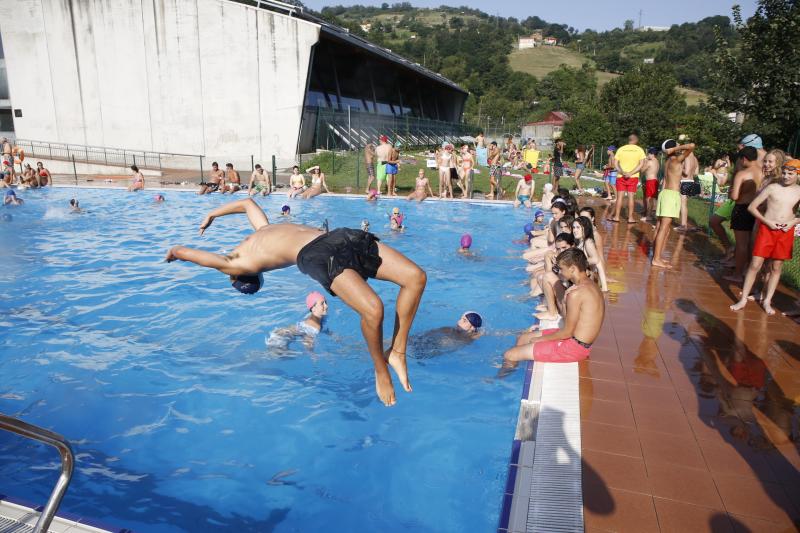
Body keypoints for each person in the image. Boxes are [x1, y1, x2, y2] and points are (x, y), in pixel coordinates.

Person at [166, 198, 427, 407]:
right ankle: (381, 371)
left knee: (415, 278)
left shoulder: (263, 231)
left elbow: (247, 203)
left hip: (339, 236)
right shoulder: (236, 263)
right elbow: (193, 255)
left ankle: (397, 352)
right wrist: (177, 251)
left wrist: (212, 214)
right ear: (240, 274)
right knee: (373, 310)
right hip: (316, 254)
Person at [503, 249, 605, 368]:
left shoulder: (576, 293)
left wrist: (540, 339)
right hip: (578, 341)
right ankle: (516, 365)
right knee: (523, 337)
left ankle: (500, 379)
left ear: (572, 268)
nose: (560, 273)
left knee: (509, 355)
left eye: (562, 269)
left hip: (574, 348)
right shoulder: (591, 284)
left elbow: (567, 332)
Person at [730, 159, 800, 315]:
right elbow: (752, 207)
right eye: (784, 172)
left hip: (785, 231)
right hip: (767, 229)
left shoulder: (799, 191)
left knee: (776, 267)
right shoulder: (773, 188)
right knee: (755, 264)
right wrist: (766, 221)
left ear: (798, 175)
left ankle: (767, 300)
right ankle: (743, 299)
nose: (786, 176)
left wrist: (793, 222)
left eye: (791, 173)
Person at [652, 140, 695, 269]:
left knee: (662, 227)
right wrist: (677, 148)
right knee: (664, 228)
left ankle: (657, 256)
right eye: (676, 145)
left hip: (665, 194)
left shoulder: (669, 161)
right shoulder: (675, 160)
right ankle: (656, 259)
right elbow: (692, 145)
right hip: (670, 195)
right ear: (673, 148)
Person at [724, 147, 763, 283]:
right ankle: (748, 271)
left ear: (744, 158)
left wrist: (731, 192)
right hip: (756, 210)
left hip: (742, 209)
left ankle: (737, 274)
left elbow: (734, 196)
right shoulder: (762, 171)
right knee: (751, 243)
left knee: (741, 245)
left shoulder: (743, 174)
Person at [407, 312, 483, 359]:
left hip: (429, 353)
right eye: (460, 318)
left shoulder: (470, 338)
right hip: (425, 344)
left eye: (464, 321)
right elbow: (425, 334)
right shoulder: (447, 329)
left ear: (472, 327)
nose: (459, 321)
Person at [611, 133, 646, 223]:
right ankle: (630, 218)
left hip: (621, 176)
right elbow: (641, 164)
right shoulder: (639, 150)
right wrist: (631, 173)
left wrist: (622, 172)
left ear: (629, 140)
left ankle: (617, 217)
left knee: (619, 197)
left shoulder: (621, 149)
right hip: (633, 177)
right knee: (631, 198)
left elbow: (615, 163)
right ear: (635, 140)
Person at [572, 216, 608, 292]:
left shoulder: (588, 242)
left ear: (585, 228)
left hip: (587, 279)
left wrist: (604, 287)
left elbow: (596, 261)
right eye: (574, 227)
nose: (575, 230)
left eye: (578, 227)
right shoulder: (580, 242)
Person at [709, 153, 734, 259]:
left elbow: (729, 169)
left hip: (736, 199)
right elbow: (715, 168)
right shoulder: (719, 160)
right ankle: (730, 249)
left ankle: (733, 253)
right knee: (714, 221)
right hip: (731, 199)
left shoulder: (729, 164)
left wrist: (728, 162)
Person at [675, 136, 700, 232]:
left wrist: (678, 167)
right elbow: (696, 173)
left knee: (683, 204)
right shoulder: (694, 157)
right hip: (691, 181)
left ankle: (683, 225)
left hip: (685, 181)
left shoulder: (687, 156)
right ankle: (683, 223)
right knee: (683, 204)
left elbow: (686, 171)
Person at [641, 147, 660, 222]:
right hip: (655, 180)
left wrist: (644, 162)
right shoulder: (657, 161)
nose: (647, 155)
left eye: (648, 153)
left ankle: (648, 216)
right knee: (652, 198)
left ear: (652, 154)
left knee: (649, 199)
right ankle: (650, 213)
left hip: (650, 181)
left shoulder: (650, 162)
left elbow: (642, 170)